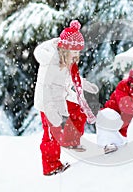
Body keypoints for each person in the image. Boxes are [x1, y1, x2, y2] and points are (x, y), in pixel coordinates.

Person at [34, 20, 98, 176]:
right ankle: (51, 167)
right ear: (64, 49)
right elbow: (46, 89)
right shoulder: (51, 63)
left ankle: (71, 140)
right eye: (74, 51)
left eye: (78, 52)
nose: (77, 55)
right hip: (48, 103)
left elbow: (70, 78)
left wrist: (84, 85)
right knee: (51, 134)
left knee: (79, 112)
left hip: (61, 97)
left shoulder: (66, 61)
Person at [96, 61, 133, 154]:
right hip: (116, 120)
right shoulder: (123, 88)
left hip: (129, 124)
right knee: (106, 115)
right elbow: (127, 107)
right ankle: (109, 144)